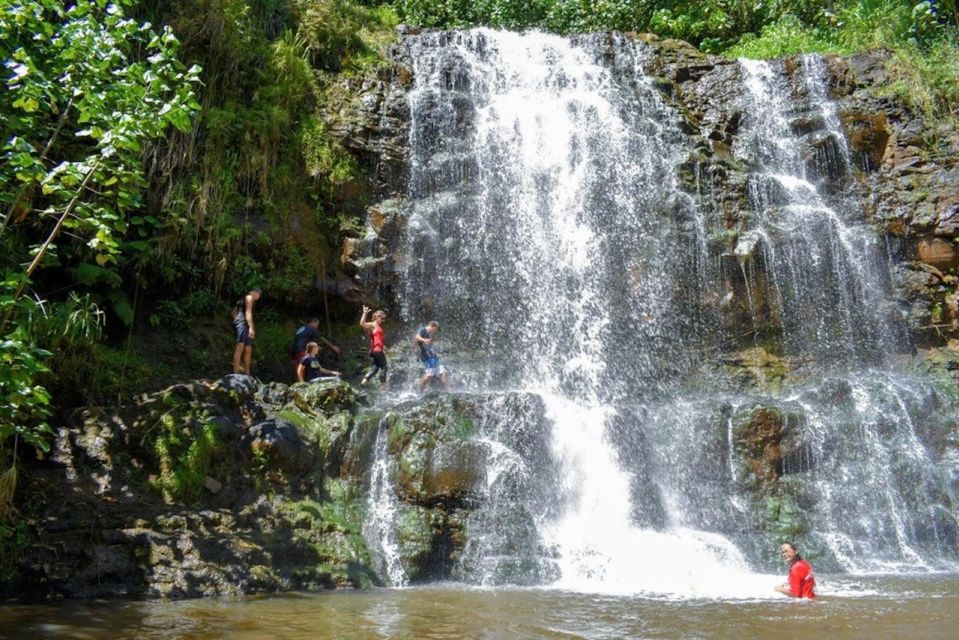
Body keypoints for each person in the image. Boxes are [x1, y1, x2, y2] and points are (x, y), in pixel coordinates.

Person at [232, 287, 261, 375]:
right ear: (256, 293)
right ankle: (236, 373)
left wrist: (235, 321)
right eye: (259, 295)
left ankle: (247, 373)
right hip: (243, 323)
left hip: (243, 323)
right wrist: (251, 328)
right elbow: (248, 312)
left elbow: (233, 313)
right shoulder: (249, 297)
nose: (258, 297)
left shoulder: (241, 299)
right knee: (240, 346)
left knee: (248, 348)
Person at [414, 321, 448, 390]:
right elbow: (416, 336)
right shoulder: (424, 330)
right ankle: (420, 390)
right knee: (429, 375)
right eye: (437, 329)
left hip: (433, 356)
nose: (437, 331)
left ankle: (448, 390)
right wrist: (424, 340)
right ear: (433, 326)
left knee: (442, 372)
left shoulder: (430, 333)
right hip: (427, 356)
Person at [359, 305, 388, 387]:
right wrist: (365, 313)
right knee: (384, 367)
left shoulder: (377, 326)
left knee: (375, 369)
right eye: (382, 318)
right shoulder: (372, 325)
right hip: (377, 350)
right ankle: (383, 386)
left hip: (375, 350)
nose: (383, 320)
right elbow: (362, 323)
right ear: (377, 317)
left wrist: (384, 346)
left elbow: (377, 339)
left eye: (383, 319)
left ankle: (363, 382)